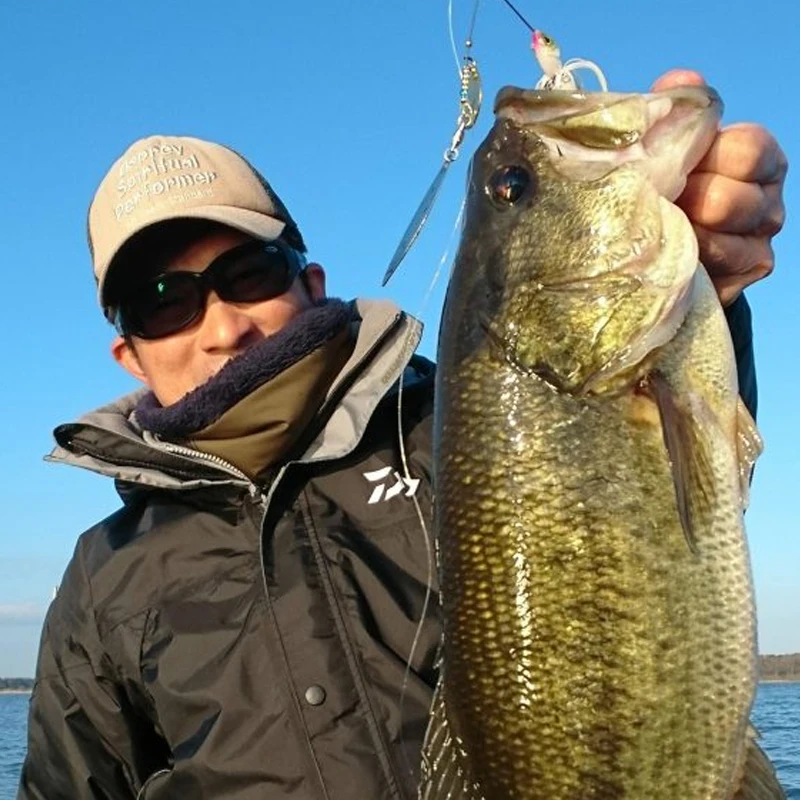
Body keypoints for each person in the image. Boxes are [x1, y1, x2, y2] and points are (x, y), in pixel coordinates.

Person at [18, 70, 786, 800]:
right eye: (165, 302)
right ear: (129, 354)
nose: (223, 325)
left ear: (308, 283)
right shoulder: (102, 578)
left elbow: (684, 466)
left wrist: (712, 303)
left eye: (248, 272)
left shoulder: (443, 424)